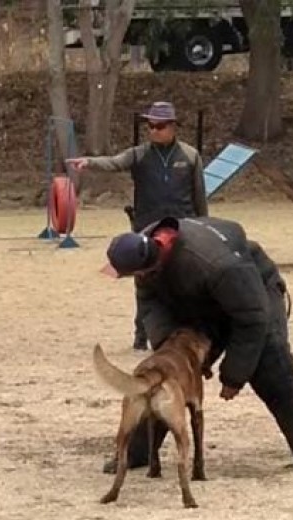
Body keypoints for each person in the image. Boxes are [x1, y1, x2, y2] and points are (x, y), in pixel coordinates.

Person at [101, 215, 293, 474]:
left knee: (273, 366)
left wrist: (233, 375)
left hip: (254, 295)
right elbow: (150, 304)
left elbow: (253, 317)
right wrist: (169, 346)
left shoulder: (216, 264)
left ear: (147, 265)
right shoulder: (144, 251)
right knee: (166, 373)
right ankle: (135, 453)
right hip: (200, 299)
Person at [68, 101, 208, 351]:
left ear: (173, 127)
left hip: (183, 229)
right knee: (145, 284)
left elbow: (199, 195)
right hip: (147, 230)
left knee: (185, 283)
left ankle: (184, 333)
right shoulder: (139, 154)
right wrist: (89, 162)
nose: (154, 130)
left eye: (160, 126)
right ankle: (141, 335)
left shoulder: (190, 156)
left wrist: (203, 225)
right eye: (150, 125)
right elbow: (114, 163)